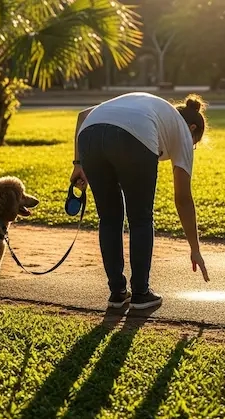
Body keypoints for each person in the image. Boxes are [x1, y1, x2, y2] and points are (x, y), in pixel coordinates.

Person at [69, 92, 211, 310]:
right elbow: (183, 199)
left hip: (89, 134)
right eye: (194, 145)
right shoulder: (182, 132)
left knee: (109, 218)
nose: (190, 148)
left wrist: (78, 163)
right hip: (134, 137)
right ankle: (141, 293)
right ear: (192, 129)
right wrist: (195, 249)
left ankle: (117, 293)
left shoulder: (152, 105)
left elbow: (83, 115)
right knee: (141, 218)